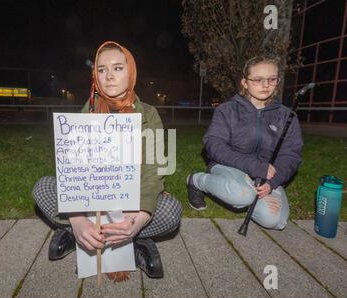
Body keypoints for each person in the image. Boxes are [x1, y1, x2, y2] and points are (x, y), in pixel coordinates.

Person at [33, 41, 182, 278]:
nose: (109, 76)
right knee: (42, 188)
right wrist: (78, 219)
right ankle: (81, 233)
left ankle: (129, 236)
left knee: (170, 212)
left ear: (131, 71)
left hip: (131, 202)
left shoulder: (149, 114)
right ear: (95, 76)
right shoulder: (89, 110)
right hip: (92, 202)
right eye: (101, 70)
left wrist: (139, 217)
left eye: (117, 68)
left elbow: (155, 170)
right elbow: (72, 169)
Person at [187, 56, 303, 230]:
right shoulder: (226, 110)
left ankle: (253, 196)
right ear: (245, 83)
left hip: (267, 176)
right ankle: (196, 180)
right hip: (230, 167)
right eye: (258, 80)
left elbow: (291, 155)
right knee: (242, 194)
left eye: (272, 79)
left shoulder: (287, 116)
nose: (265, 85)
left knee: (275, 221)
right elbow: (214, 145)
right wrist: (254, 166)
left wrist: (272, 184)